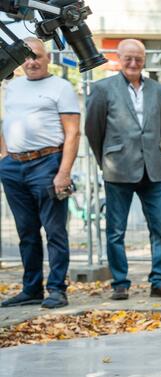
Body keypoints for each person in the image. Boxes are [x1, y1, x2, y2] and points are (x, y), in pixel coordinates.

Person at [85, 39, 161, 300]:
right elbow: (93, 130)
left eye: (138, 58)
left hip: (152, 169)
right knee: (116, 230)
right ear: (118, 58)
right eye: (128, 57)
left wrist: (145, 150)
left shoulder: (158, 90)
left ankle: (159, 282)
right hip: (118, 169)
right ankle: (120, 283)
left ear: (144, 59)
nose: (133, 62)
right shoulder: (102, 88)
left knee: (160, 228)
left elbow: (160, 128)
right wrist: (106, 158)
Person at [0, 37, 79, 309]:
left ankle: (57, 289)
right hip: (13, 166)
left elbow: (72, 133)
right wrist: (4, 156)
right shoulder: (12, 86)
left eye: (37, 56)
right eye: (27, 57)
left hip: (47, 164)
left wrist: (64, 172)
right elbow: (7, 122)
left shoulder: (61, 87)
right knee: (27, 232)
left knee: (55, 231)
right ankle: (31, 289)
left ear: (48, 58)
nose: (32, 61)